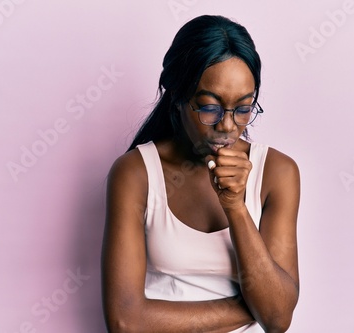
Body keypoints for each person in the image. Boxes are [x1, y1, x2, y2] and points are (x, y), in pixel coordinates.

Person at [102, 15, 300, 332]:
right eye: (210, 107)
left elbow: (278, 322)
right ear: (178, 98)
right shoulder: (136, 174)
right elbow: (125, 321)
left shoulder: (277, 173)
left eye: (244, 107)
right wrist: (250, 308)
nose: (227, 125)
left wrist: (235, 205)